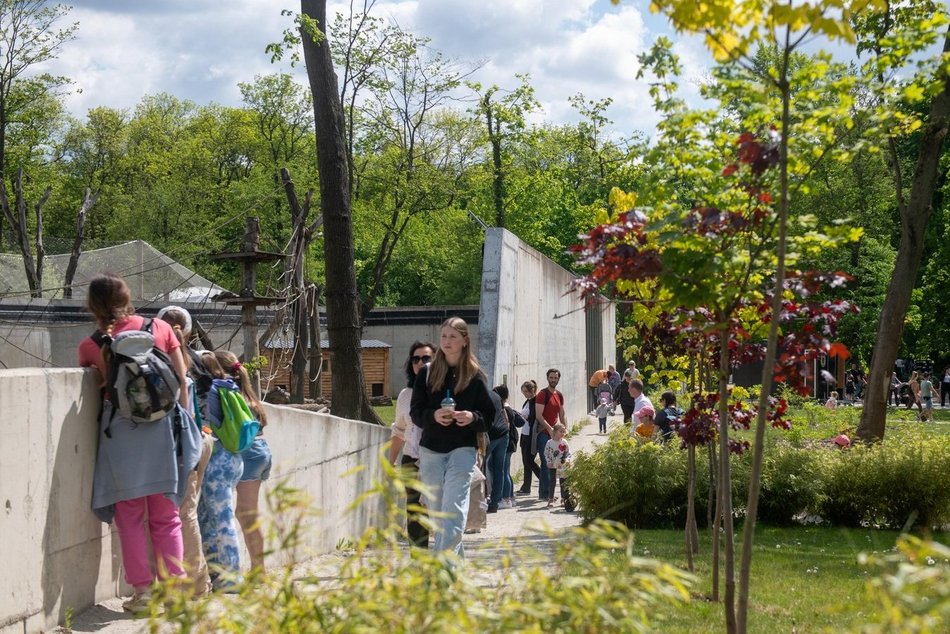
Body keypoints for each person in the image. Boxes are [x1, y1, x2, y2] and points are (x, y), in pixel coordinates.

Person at [78, 273, 194, 612]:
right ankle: (174, 591)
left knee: (128, 517)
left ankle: (143, 594)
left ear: (92, 306)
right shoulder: (160, 328)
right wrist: (186, 426)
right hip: (162, 433)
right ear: (127, 297)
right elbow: (181, 381)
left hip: (122, 435)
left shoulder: (90, 345)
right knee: (166, 516)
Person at [410, 317, 495, 556]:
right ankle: (453, 568)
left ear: (465, 341)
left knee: (454, 510)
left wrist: (471, 417)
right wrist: (433, 415)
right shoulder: (427, 373)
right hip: (431, 451)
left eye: (453, 337)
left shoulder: (475, 376)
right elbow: (415, 412)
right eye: (444, 336)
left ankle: (441, 566)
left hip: (462, 450)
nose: (447, 341)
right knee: (438, 514)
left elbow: (489, 416)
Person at [157, 305, 214, 596]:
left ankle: (198, 584)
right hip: (203, 439)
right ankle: (197, 582)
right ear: (189, 331)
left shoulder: (164, 361)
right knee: (186, 511)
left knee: (183, 513)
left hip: (184, 443)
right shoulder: (199, 360)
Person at [214, 349, 272, 574]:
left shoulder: (228, 395)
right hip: (260, 451)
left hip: (248, 453)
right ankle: (259, 569)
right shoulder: (249, 396)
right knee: (248, 513)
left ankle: (258, 571)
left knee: (246, 514)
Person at [197, 352, 246, 591]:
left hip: (216, 460)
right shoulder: (230, 386)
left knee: (220, 520)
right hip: (233, 458)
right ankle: (218, 574)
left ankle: (231, 578)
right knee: (208, 518)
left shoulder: (210, 390)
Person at [388, 340, 434, 547]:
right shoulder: (405, 395)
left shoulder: (445, 391)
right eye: (416, 359)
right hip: (411, 460)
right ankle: (419, 559)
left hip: (439, 458)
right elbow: (399, 430)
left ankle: (446, 558)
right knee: (415, 512)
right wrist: (390, 461)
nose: (420, 363)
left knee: (441, 512)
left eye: (426, 358)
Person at [534, 368, 566, 503]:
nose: (553, 380)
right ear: (547, 378)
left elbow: (562, 414)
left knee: (556, 462)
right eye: (551, 377)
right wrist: (550, 429)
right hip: (543, 433)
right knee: (546, 462)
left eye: (555, 378)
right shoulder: (542, 394)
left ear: (558, 379)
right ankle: (545, 493)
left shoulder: (559, 395)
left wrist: (565, 429)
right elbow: (538, 415)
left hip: (555, 435)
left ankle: (549, 493)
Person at [494, 384, 527, 509]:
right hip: (511, 441)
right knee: (506, 471)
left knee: (504, 471)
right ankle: (510, 497)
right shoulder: (509, 408)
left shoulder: (504, 408)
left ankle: (506, 498)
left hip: (507, 442)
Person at [485, 388, 511, 513]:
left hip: (491, 435)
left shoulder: (483, 395)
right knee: (499, 470)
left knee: (479, 467)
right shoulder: (496, 397)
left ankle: (481, 499)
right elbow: (505, 417)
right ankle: (495, 502)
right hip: (503, 433)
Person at [516, 380, 541, 495]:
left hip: (532, 435)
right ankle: (526, 487)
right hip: (524, 434)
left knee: (529, 460)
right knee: (525, 462)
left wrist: (525, 417)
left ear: (532, 390)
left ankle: (544, 480)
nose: (524, 394)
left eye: (526, 391)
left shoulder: (535, 401)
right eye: (523, 392)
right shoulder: (527, 401)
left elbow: (535, 418)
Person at [543, 423, 572, 510]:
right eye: (561, 431)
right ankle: (551, 499)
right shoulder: (549, 443)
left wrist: (567, 460)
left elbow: (568, 453)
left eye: (564, 431)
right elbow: (546, 454)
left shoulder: (564, 442)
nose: (563, 433)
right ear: (555, 432)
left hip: (562, 466)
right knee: (552, 482)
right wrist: (548, 462)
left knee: (563, 482)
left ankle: (564, 499)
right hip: (553, 465)